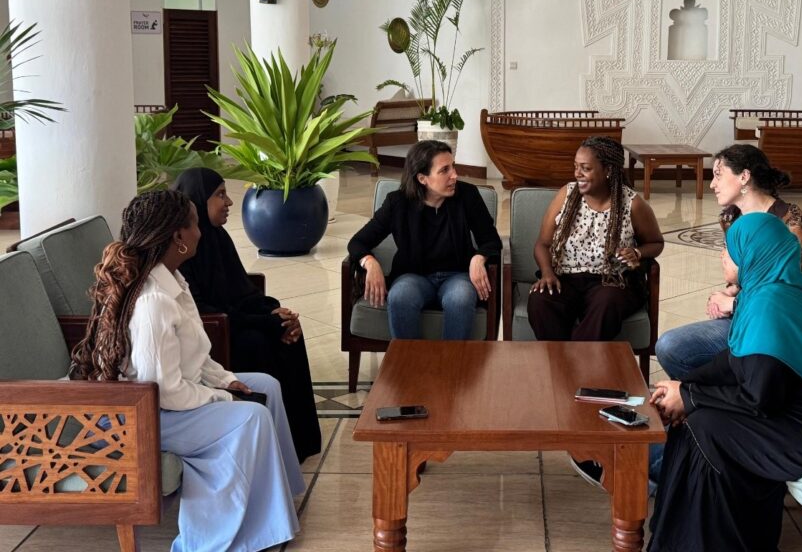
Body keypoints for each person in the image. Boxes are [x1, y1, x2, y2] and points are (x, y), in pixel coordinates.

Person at [70, 190, 304, 552]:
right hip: (140, 416)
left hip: (164, 400)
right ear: (178, 236)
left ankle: (275, 507)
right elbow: (164, 391)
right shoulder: (154, 301)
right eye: (194, 224)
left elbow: (196, 357)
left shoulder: (174, 281)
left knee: (266, 385)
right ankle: (218, 539)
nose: (200, 231)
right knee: (250, 416)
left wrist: (227, 380)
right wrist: (221, 398)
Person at [647, 212, 802, 552]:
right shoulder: (767, 290)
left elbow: (759, 398)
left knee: (706, 425)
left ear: (752, 254)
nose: (723, 255)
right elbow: (735, 361)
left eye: (731, 248)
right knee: (698, 419)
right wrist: (683, 386)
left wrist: (689, 396)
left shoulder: (771, 303)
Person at [171, 167, 321, 462]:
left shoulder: (218, 237)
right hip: (214, 332)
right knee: (258, 341)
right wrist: (265, 321)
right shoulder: (182, 248)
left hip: (232, 320)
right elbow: (202, 312)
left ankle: (298, 442)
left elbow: (241, 290)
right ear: (199, 200)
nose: (228, 202)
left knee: (287, 330)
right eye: (220, 195)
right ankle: (269, 441)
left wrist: (273, 311)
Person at [654, 143, 802, 382]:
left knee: (672, 347)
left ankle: (715, 396)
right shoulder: (731, 217)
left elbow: (792, 298)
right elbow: (750, 275)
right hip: (750, 314)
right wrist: (730, 291)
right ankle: (717, 394)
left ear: (744, 176)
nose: (712, 184)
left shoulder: (793, 227)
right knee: (672, 347)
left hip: (783, 329)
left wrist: (733, 304)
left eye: (718, 175)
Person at [347, 140, 502, 339]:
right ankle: (409, 359)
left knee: (461, 298)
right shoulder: (397, 203)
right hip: (413, 276)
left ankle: (452, 360)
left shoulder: (468, 195)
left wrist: (479, 258)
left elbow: (491, 240)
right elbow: (357, 242)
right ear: (422, 178)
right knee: (400, 296)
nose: (454, 175)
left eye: (453, 166)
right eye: (444, 170)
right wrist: (370, 262)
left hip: (457, 276)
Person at [528, 136, 664, 341]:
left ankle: (575, 360)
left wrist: (637, 252)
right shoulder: (567, 194)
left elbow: (656, 243)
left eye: (586, 168)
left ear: (608, 170)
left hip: (611, 281)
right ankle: (561, 358)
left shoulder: (632, 204)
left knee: (607, 303)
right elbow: (543, 244)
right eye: (576, 167)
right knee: (540, 300)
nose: (577, 173)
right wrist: (547, 273)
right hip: (566, 278)